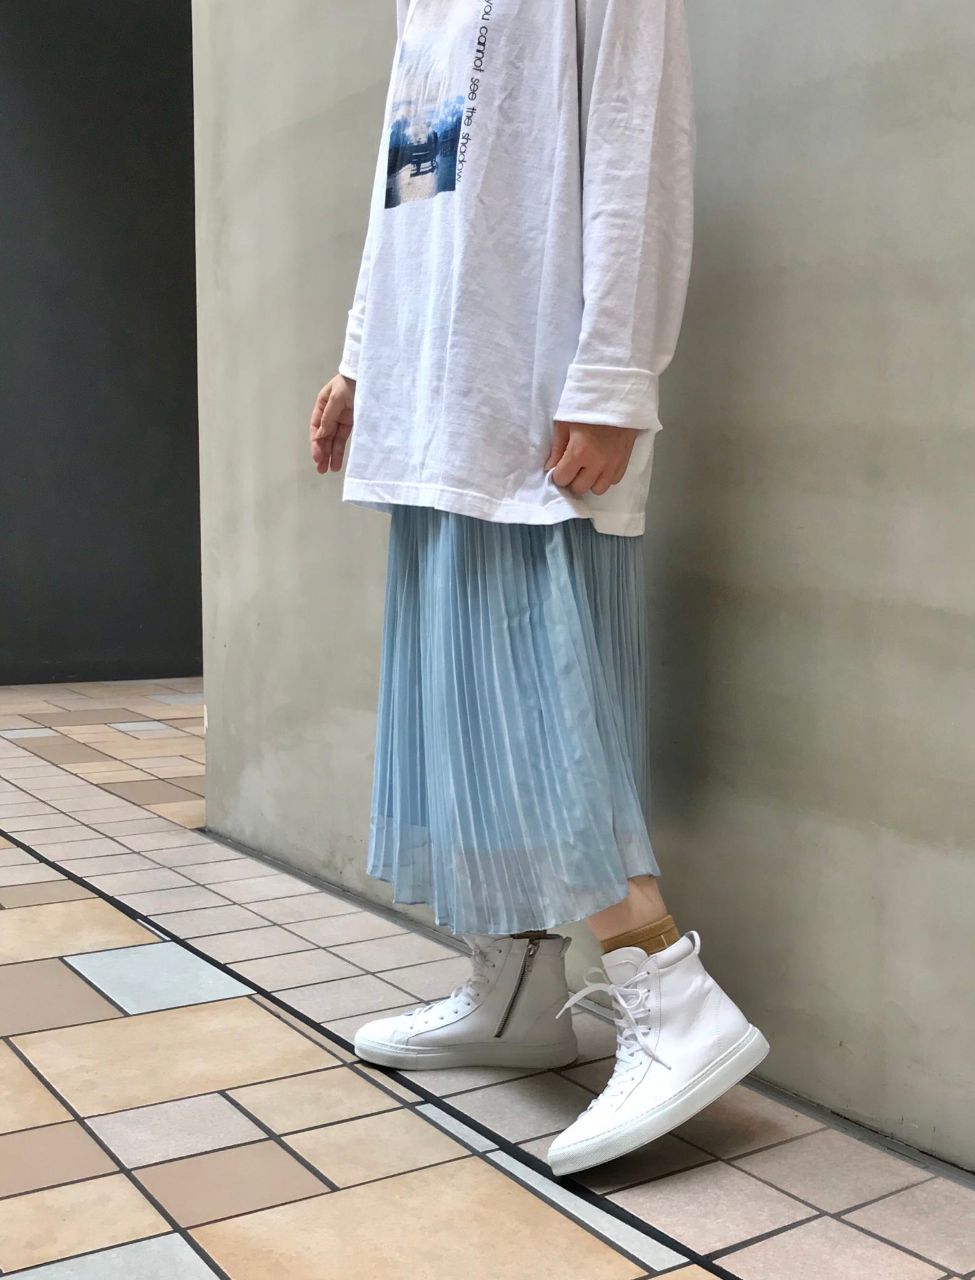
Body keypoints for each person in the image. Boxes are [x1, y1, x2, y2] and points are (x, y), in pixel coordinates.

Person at [308, 0, 766, 1177]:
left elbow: (636, 137)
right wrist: (361, 354)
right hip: (429, 375)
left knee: (535, 687)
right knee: (461, 696)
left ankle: (667, 991)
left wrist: (613, 374)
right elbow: (411, 173)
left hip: (529, 379)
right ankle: (513, 985)